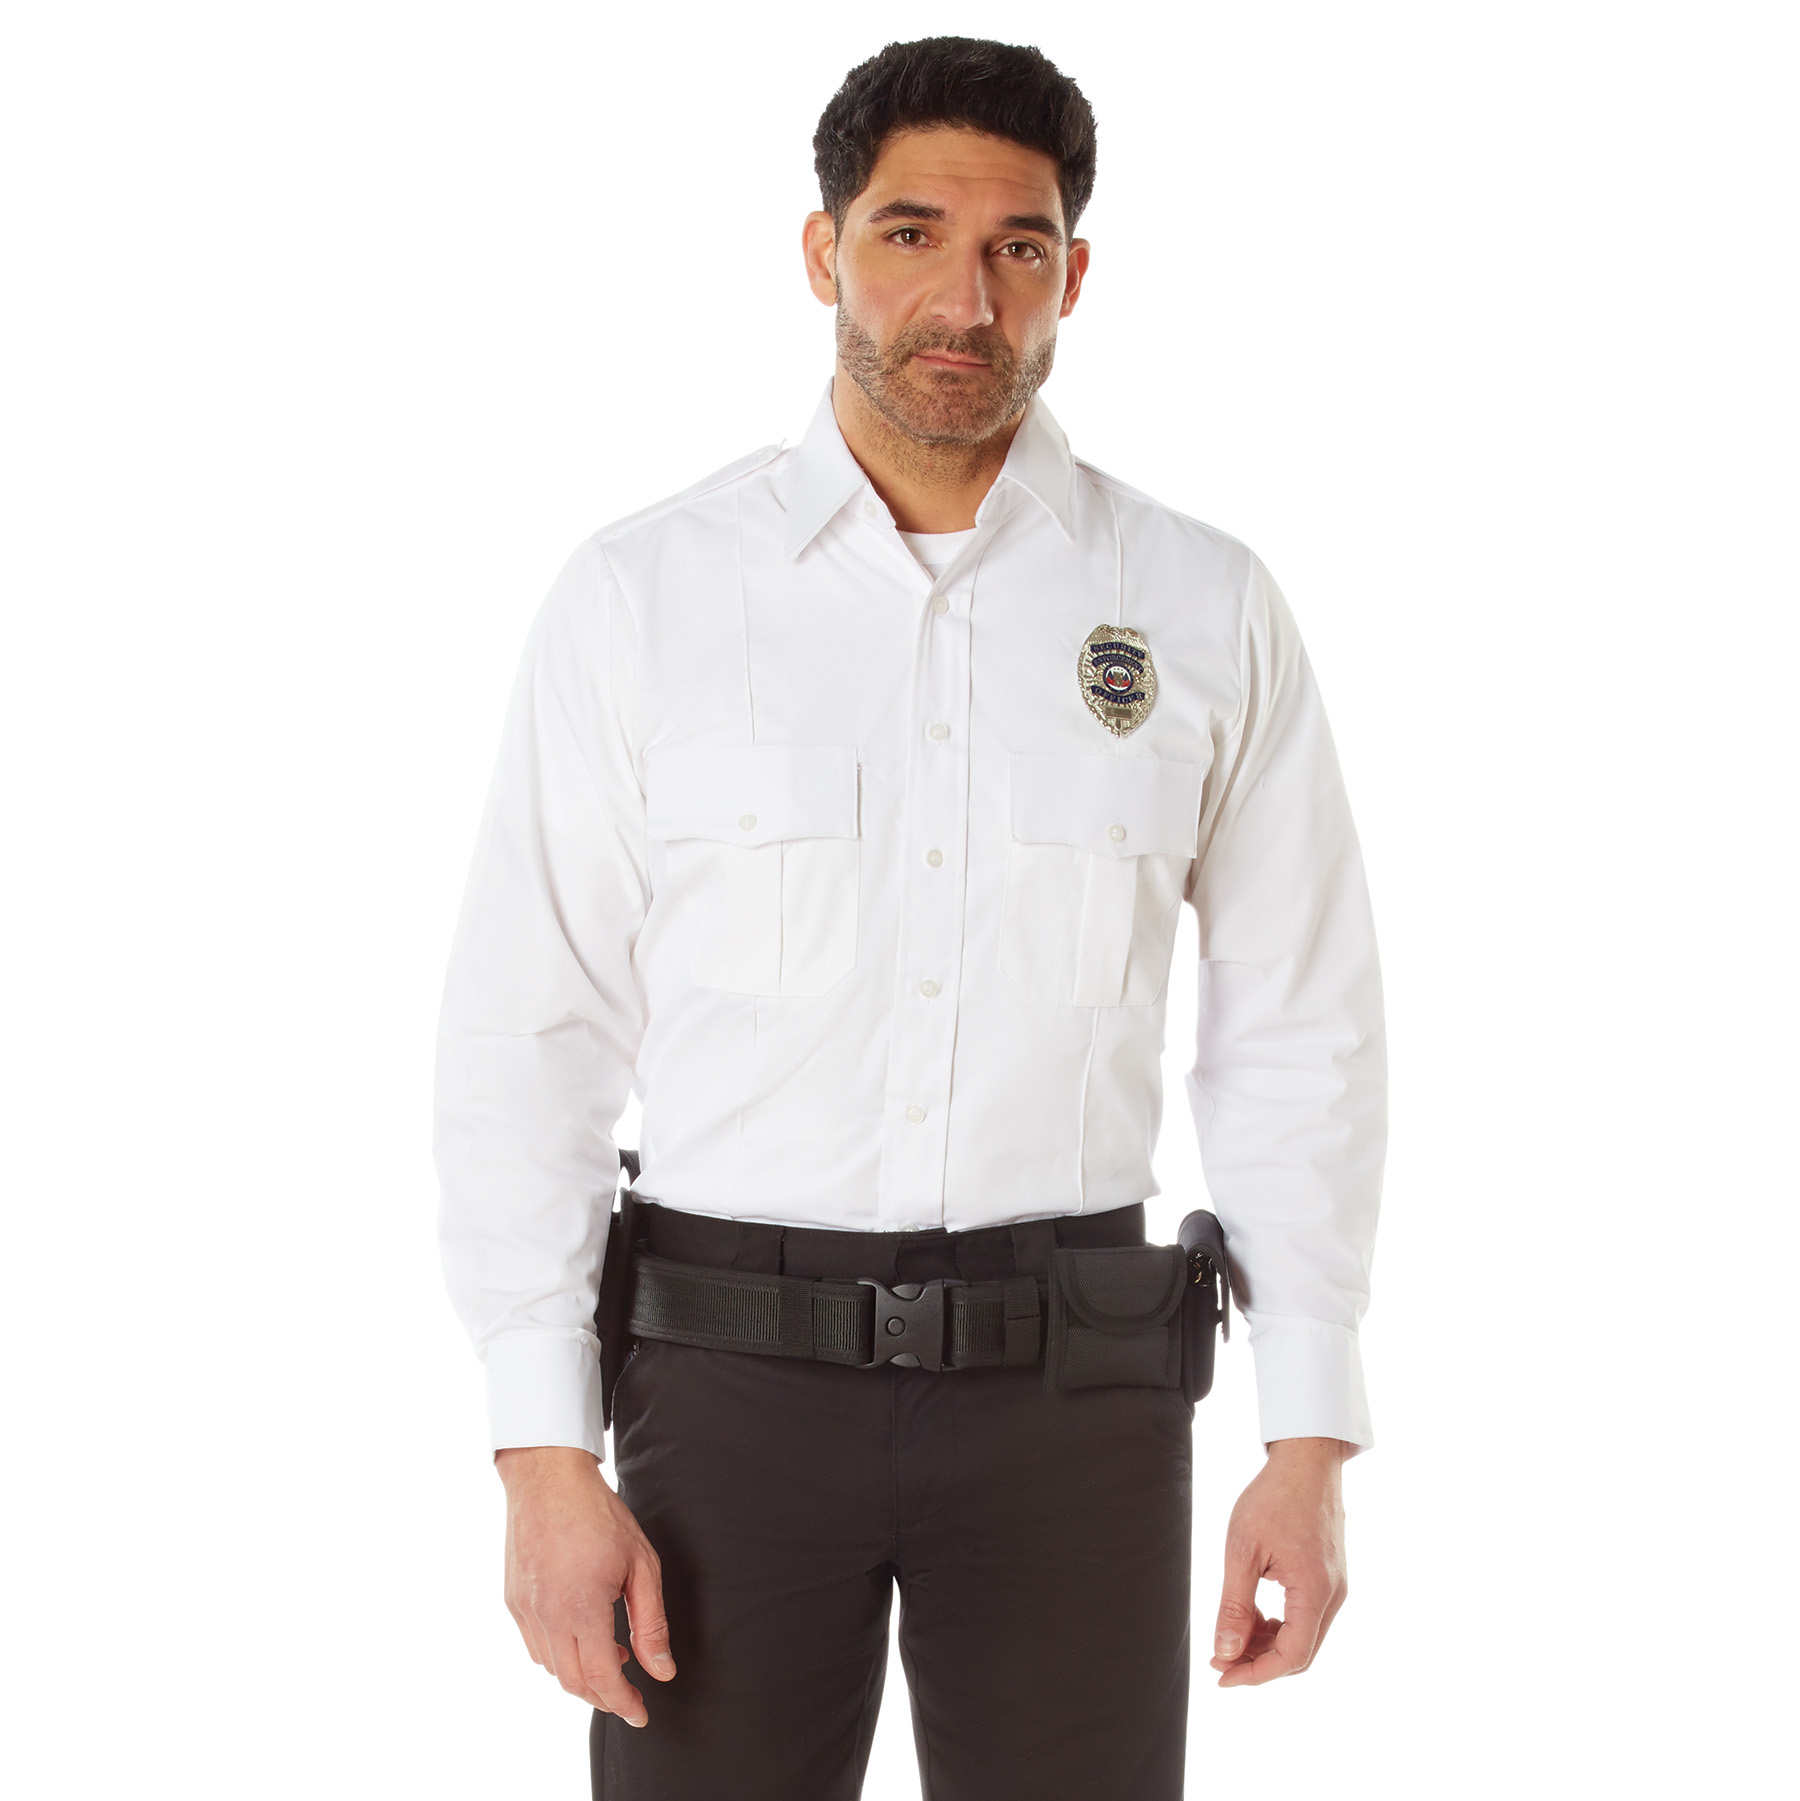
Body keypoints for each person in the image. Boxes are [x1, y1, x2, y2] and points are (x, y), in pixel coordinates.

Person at [435, 35, 1384, 1801]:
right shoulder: (644, 598)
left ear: (1074, 277)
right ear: (824, 252)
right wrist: (539, 1452)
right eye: (909, 234)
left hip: (1078, 1396)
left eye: (1019, 246)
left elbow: (1301, 1023)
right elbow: (530, 1032)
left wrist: (1308, 1431)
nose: (964, 298)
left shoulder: (1201, 606)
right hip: (724, 1388)